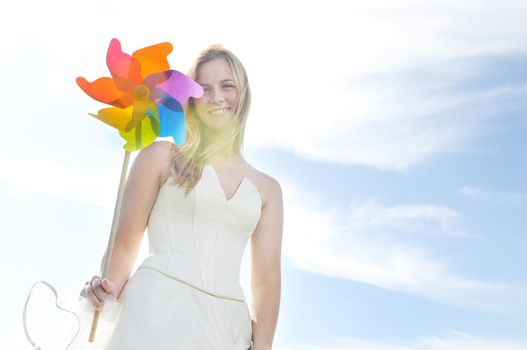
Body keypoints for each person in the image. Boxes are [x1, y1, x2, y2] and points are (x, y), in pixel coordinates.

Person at [79, 45, 283, 350]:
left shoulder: (268, 189)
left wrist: (262, 346)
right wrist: (105, 292)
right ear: (191, 98)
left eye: (227, 86)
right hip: (153, 310)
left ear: (243, 94)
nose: (217, 98)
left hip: (225, 327)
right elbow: (124, 244)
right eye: (204, 88)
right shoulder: (160, 156)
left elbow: (267, 284)